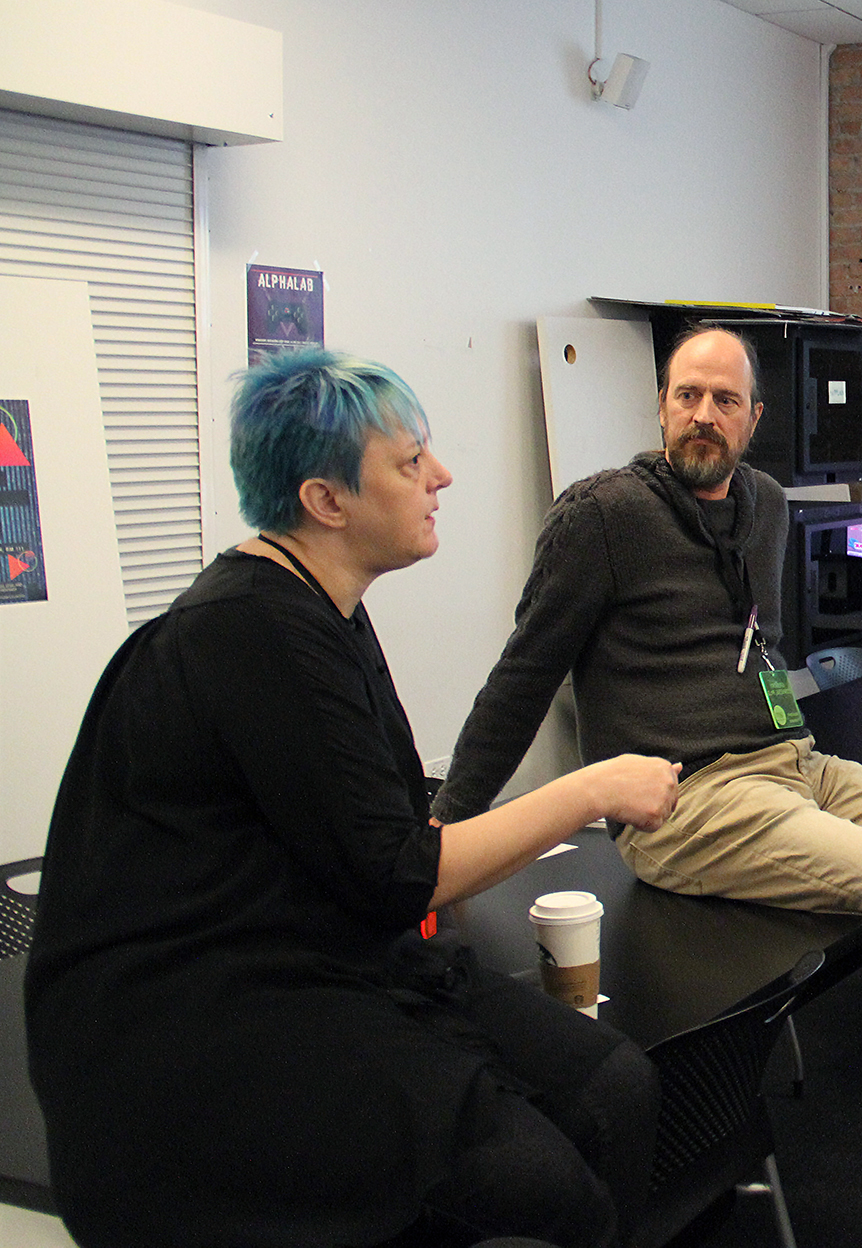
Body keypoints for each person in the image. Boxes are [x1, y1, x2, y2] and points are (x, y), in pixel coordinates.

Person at [433, 324, 862, 1248]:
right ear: (660, 403)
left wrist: (792, 752)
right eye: (687, 395)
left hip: (792, 764)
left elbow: (755, 650)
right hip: (684, 799)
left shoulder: (765, 504)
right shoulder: (602, 517)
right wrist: (444, 834)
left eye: (724, 400)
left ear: (754, 419)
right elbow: (521, 679)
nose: (704, 414)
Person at [26, 349, 681, 1248]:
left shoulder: (323, 607)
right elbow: (399, 874)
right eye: (411, 463)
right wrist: (594, 788)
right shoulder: (249, 633)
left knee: (616, 1086)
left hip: (322, 956)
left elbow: (385, 824)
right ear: (326, 502)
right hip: (201, 1026)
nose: (441, 477)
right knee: (538, 1181)